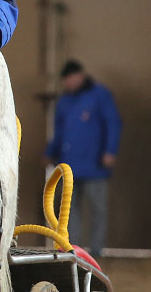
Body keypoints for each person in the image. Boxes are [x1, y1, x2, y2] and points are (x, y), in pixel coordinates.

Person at [44, 59, 122, 258]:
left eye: (69, 80)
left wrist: (110, 151)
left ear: (79, 75)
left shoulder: (100, 96)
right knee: (68, 212)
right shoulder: (64, 102)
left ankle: (97, 250)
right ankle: (73, 249)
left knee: (97, 209)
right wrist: (49, 153)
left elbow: (112, 124)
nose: (67, 84)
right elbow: (59, 132)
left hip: (95, 165)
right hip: (70, 166)